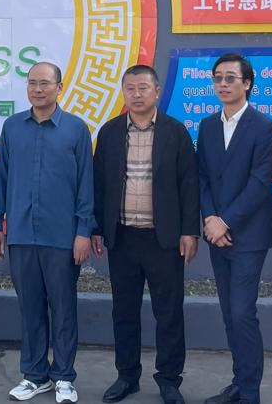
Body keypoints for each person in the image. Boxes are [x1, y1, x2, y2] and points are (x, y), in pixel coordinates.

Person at [92, 64, 200, 404]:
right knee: (124, 311)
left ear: (156, 91)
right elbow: (99, 183)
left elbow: (189, 184)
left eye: (143, 88)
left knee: (168, 312)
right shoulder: (110, 132)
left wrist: (189, 231)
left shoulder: (175, 131)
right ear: (123, 93)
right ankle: (127, 376)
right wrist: (96, 227)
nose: (136, 95)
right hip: (122, 237)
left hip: (163, 239)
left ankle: (169, 380)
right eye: (130, 89)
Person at [0, 61, 94, 404]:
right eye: (32, 82)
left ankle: (63, 376)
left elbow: (86, 185)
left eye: (45, 83)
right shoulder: (12, 127)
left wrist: (83, 231)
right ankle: (35, 375)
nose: (37, 89)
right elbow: (1, 179)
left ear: (59, 87)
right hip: (21, 233)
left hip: (62, 236)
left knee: (63, 309)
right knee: (30, 308)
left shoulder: (76, 129)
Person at [196, 53, 272, 404]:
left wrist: (225, 221)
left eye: (230, 78)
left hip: (248, 235)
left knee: (242, 312)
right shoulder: (207, 126)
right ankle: (238, 382)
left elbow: (260, 184)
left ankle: (250, 393)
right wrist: (209, 218)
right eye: (218, 78)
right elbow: (202, 177)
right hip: (217, 234)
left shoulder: (265, 127)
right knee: (229, 313)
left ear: (247, 83)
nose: (223, 84)